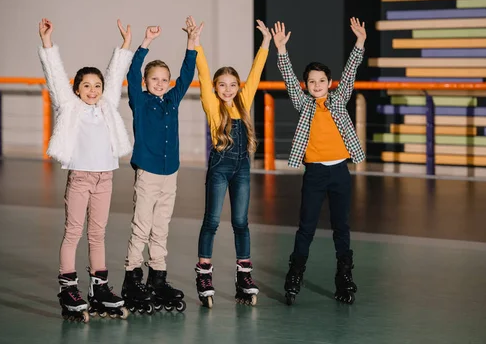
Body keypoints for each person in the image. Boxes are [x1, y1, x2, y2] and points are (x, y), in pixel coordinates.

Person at [38, 18, 133, 321]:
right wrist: (47, 42)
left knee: (98, 234)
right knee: (73, 232)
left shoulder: (107, 105)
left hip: (105, 177)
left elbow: (116, 74)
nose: (93, 90)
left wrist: (125, 46)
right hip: (80, 178)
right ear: (76, 90)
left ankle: (100, 289)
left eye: (97, 86)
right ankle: (68, 288)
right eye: (86, 86)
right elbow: (54, 77)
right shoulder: (70, 107)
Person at [272, 18, 366, 306]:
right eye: (311, 81)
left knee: (342, 226)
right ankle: (295, 276)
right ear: (306, 85)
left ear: (329, 83)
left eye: (321, 81)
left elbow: (350, 72)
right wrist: (281, 50)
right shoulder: (303, 104)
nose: (316, 85)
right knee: (306, 227)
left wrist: (360, 42)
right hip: (314, 173)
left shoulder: (338, 101)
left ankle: (344, 278)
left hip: (339, 171)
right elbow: (288, 79)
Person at [121, 17, 199, 314]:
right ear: (146, 82)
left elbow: (187, 74)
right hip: (148, 173)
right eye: (154, 79)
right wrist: (145, 43)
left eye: (164, 80)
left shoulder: (172, 101)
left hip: (170, 173)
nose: (160, 83)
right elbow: (130, 72)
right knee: (141, 226)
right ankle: (132, 276)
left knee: (162, 227)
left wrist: (190, 42)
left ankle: (158, 277)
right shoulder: (139, 102)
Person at [192, 17, 271, 307]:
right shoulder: (212, 106)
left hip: (242, 169)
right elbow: (202, 74)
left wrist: (265, 43)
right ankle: (204, 273)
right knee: (212, 221)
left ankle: (244, 276)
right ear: (215, 88)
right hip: (220, 168)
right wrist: (197, 45)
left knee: (241, 221)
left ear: (239, 87)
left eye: (232, 85)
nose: (227, 89)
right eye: (222, 85)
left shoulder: (243, 102)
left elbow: (257, 71)